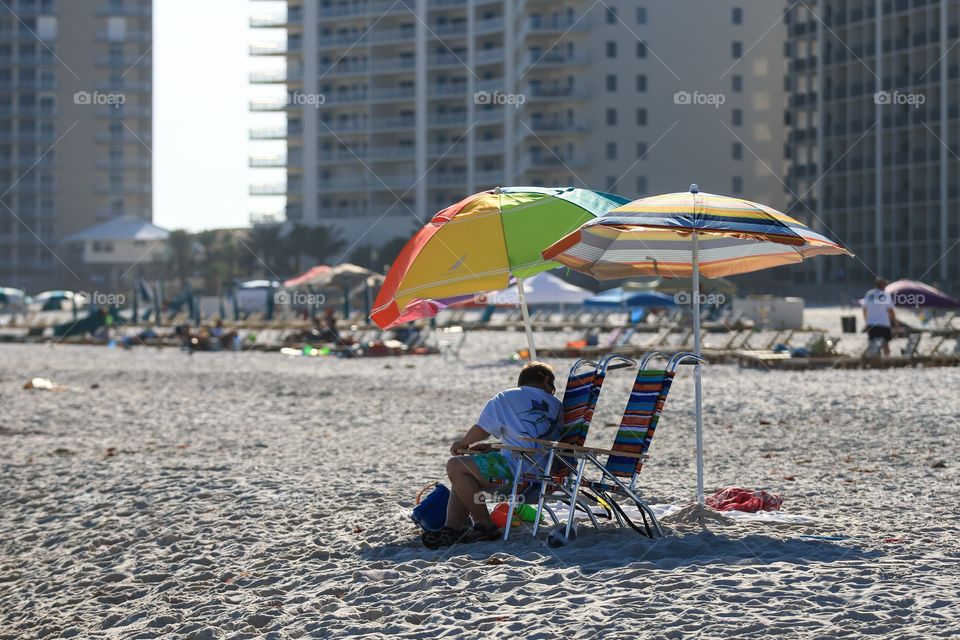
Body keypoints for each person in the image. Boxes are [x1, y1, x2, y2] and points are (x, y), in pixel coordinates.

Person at [422, 361, 561, 549]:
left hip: (519, 475)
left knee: (456, 465)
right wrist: (494, 449)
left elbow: (482, 429)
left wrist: (463, 443)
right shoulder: (558, 406)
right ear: (546, 381)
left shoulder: (506, 397)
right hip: (548, 478)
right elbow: (536, 443)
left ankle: (485, 525)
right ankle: (452, 529)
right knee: (464, 471)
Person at [863, 277, 898, 356]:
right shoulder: (885, 295)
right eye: (885, 285)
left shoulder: (869, 294)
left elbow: (865, 308)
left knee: (872, 344)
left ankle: (874, 359)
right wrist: (895, 322)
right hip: (883, 323)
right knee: (886, 345)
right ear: (882, 285)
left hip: (871, 323)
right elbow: (890, 310)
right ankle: (886, 360)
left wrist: (866, 320)